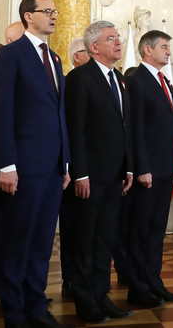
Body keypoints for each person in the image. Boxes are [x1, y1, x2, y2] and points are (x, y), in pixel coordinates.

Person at [0, 0, 70, 328]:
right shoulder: (11, 55)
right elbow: (0, 111)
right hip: (22, 166)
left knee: (41, 242)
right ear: (27, 16)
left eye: (54, 10)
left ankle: (36, 306)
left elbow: (59, 113)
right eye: (46, 11)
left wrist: (65, 163)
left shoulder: (56, 58)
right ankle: (14, 310)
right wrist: (6, 164)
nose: (53, 16)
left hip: (52, 168)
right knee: (17, 240)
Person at [63, 20, 135, 322]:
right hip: (89, 176)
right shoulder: (80, 78)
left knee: (105, 238)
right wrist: (80, 173)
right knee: (85, 240)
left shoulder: (118, 77)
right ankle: (85, 302)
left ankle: (101, 295)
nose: (118, 42)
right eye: (111, 39)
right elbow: (75, 128)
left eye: (118, 37)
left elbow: (124, 127)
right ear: (94, 47)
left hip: (114, 174)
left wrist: (128, 167)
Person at [124, 30, 173, 308]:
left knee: (157, 231)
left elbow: (171, 128)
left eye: (169, 47)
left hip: (165, 168)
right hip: (147, 172)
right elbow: (134, 130)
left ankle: (154, 283)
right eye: (164, 47)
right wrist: (141, 168)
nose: (169, 52)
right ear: (147, 50)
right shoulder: (135, 81)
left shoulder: (165, 82)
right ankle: (137, 288)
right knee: (140, 230)